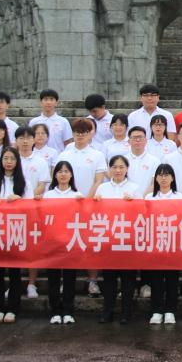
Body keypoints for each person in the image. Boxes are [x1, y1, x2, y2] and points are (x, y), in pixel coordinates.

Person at [57, 118, 106, 296]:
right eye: (77, 132)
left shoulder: (97, 155)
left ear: (90, 134)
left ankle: (92, 280)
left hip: (89, 206)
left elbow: (99, 180)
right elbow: (59, 177)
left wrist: (87, 200)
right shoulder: (65, 154)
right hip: (67, 206)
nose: (80, 135)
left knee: (91, 244)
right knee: (66, 244)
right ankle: (65, 281)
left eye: (84, 132)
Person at [0, 147, 30, 323]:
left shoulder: (24, 182)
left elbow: (31, 207)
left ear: (17, 161)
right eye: (5, 158)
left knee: (15, 273)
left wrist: (19, 200)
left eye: (12, 159)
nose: (9, 162)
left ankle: (13, 308)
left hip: (16, 232)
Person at [94, 155, 140, 324]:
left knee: (128, 279)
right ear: (109, 169)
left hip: (127, 239)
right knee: (109, 279)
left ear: (127, 169)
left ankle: (126, 312)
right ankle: (108, 311)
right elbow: (95, 213)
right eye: (114, 167)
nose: (118, 170)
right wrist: (96, 202)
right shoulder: (102, 188)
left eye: (121, 167)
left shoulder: (134, 188)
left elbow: (141, 213)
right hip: (108, 239)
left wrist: (133, 203)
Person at [41, 161, 81, 324]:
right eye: (60, 171)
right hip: (53, 242)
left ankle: (68, 310)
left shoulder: (77, 195)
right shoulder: (48, 195)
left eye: (66, 171)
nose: (63, 174)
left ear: (71, 175)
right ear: (55, 175)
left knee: (70, 278)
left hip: (71, 242)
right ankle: (55, 311)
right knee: (54, 279)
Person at [145, 164, 182, 324]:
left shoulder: (180, 197)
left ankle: (170, 310)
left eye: (167, 175)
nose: (163, 178)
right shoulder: (149, 198)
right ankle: (157, 310)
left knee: (172, 279)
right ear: (155, 178)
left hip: (174, 243)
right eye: (160, 175)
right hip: (155, 243)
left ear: (172, 178)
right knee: (156, 279)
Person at [15, 125, 49, 298]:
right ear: (16, 141)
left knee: (32, 246)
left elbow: (42, 184)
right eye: (21, 138)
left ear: (34, 140)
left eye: (28, 138)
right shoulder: (11, 159)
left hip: (34, 208)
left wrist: (28, 198)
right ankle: (13, 284)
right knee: (14, 246)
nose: (25, 141)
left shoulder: (40, 161)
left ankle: (31, 283)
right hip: (13, 209)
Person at [29, 88, 73, 153]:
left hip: (58, 157)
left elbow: (67, 143)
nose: (48, 102)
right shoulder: (34, 122)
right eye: (45, 99)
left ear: (56, 103)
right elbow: (30, 141)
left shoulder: (63, 121)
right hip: (38, 156)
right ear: (41, 102)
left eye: (51, 99)